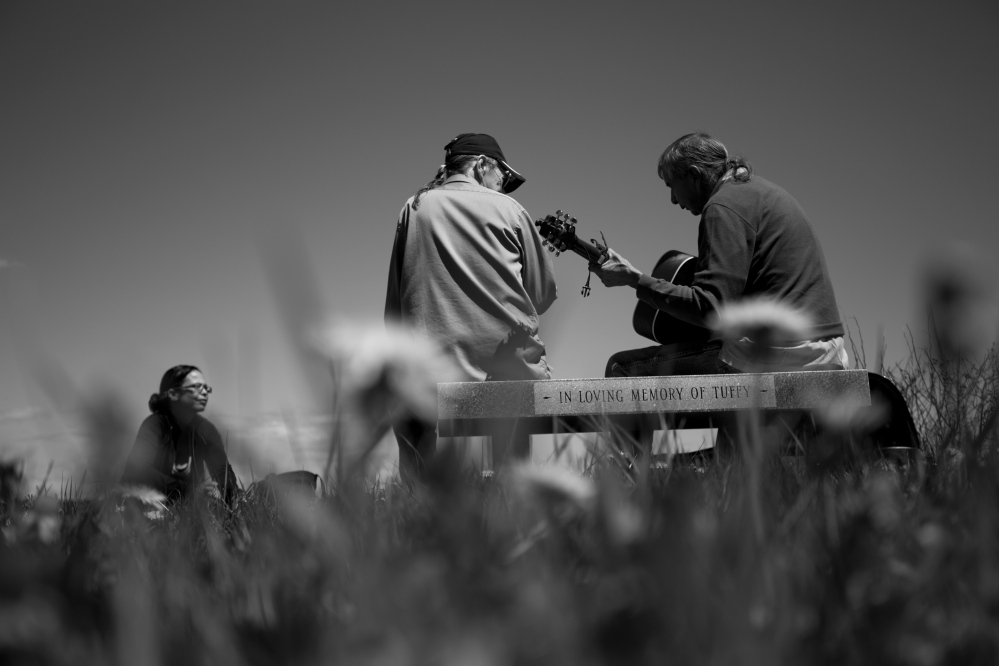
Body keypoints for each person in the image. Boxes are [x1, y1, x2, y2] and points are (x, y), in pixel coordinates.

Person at [590, 132, 847, 377]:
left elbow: (711, 308)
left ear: (693, 175)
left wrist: (634, 279)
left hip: (785, 351)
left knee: (621, 368)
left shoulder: (723, 205)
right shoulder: (758, 193)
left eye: (671, 186)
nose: (672, 199)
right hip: (826, 347)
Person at [385, 133, 557, 478]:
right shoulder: (511, 210)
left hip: (430, 377)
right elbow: (542, 295)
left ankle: (420, 501)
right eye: (502, 178)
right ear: (481, 166)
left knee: (406, 394)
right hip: (508, 372)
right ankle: (512, 489)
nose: (502, 187)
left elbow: (394, 308)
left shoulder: (415, 207)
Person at [121, 365, 239, 505]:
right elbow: (138, 472)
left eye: (206, 388)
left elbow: (222, 472)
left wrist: (230, 497)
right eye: (196, 387)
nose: (204, 392)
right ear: (173, 394)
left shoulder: (207, 430)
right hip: (138, 504)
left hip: (184, 509)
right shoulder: (155, 425)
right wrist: (191, 491)